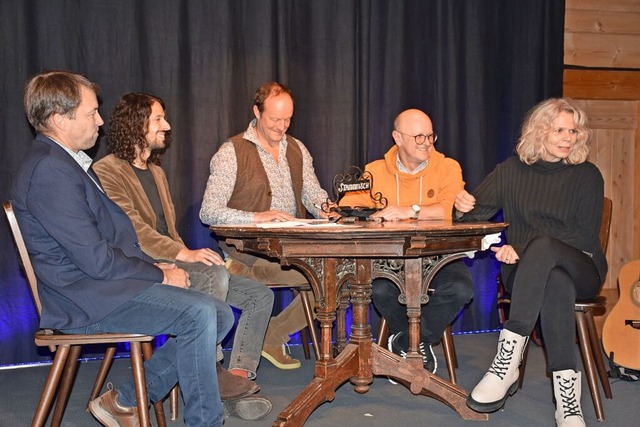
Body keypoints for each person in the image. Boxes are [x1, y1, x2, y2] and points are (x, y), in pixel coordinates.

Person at [11, 70, 234, 426]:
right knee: (199, 314)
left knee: (219, 314)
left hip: (100, 285)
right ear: (58, 119)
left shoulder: (65, 162)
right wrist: (158, 272)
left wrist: (157, 269)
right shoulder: (49, 171)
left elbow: (110, 242)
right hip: (83, 298)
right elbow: (96, 259)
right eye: (91, 113)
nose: (100, 121)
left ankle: (126, 399)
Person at [92, 92, 273, 420]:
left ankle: (237, 375)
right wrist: (184, 253)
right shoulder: (107, 171)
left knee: (260, 296)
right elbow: (135, 233)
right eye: (159, 119)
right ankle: (213, 373)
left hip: (173, 258)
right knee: (213, 275)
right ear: (136, 124)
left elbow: (169, 230)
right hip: (146, 266)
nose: (168, 126)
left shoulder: (156, 172)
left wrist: (187, 253)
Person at [454, 98, 606, 427]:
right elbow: (475, 217)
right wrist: (461, 206)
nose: (569, 137)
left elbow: (582, 235)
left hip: (582, 267)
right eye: (560, 130)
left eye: (574, 130)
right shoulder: (510, 172)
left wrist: (522, 248)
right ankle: (568, 401)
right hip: (527, 276)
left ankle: (506, 362)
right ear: (539, 132)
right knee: (554, 282)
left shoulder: (587, 175)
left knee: (548, 255)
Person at [200, 81, 334, 369]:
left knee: (337, 276)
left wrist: (328, 209)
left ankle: (271, 335)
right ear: (256, 112)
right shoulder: (231, 152)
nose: (281, 126)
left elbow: (313, 194)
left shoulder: (297, 148)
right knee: (327, 278)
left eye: (287, 119)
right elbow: (208, 212)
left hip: (292, 251)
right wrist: (256, 217)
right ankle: (270, 336)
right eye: (275, 119)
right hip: (248, 257)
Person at [339, 109, 474, 376]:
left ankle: (406, 342)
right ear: (397, 138)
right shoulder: (374, 171)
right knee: (378, 290)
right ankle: (413, 341)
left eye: (430, 135)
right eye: (419, 136)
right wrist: (367, 215)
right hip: (391, 259)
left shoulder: (448, 167)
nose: (427, 142)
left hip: (439, 256)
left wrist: (408, 210)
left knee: (461, 289)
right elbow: (348, 207)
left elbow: (447, 210)